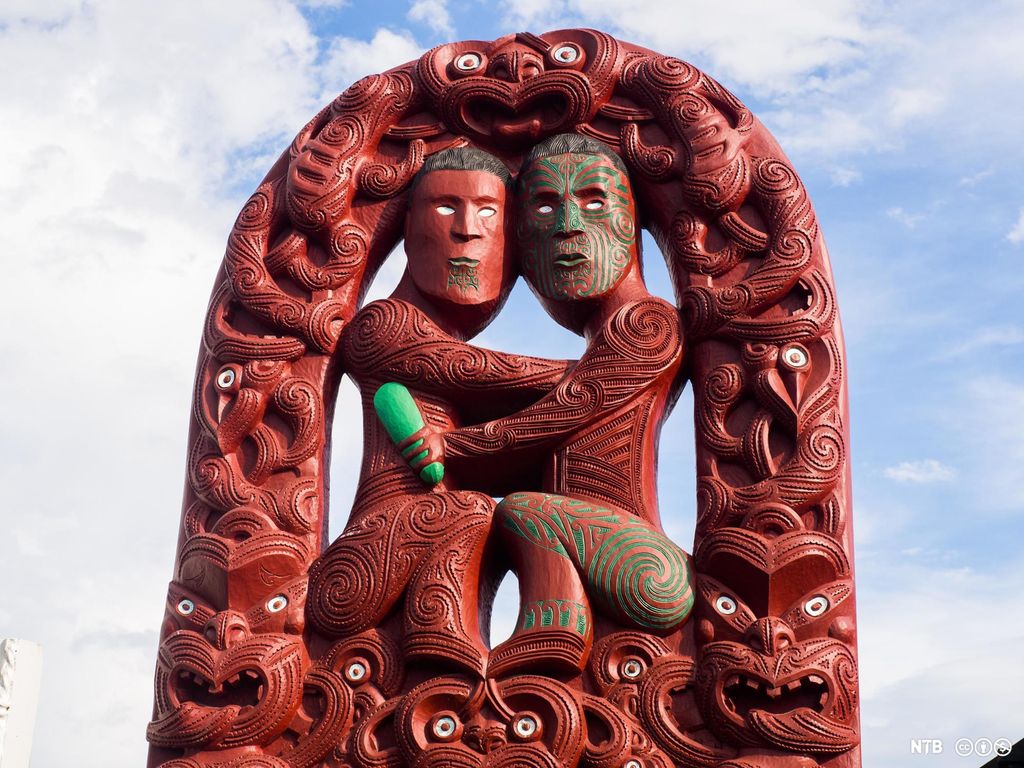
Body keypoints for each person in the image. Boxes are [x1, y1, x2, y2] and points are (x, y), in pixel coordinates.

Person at [401, 134, 695, 677]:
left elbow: (565, 411)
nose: (567, 224)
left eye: (593, 201)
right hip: (601, 552)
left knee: (524, 509)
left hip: (648, 570)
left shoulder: (647, 325)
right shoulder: (392, 327)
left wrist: (455, 444)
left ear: (632, 222)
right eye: (544, 205)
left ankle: (552, 630)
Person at [307, 147, 571, 675]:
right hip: (366, 558)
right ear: (407, 226)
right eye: (446, 207)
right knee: (466, 509)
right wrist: (608, 371)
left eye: (489, 212)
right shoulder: (384, 326)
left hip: (415, 537)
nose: (468, 229)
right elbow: (481, 371)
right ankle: (440, 640)